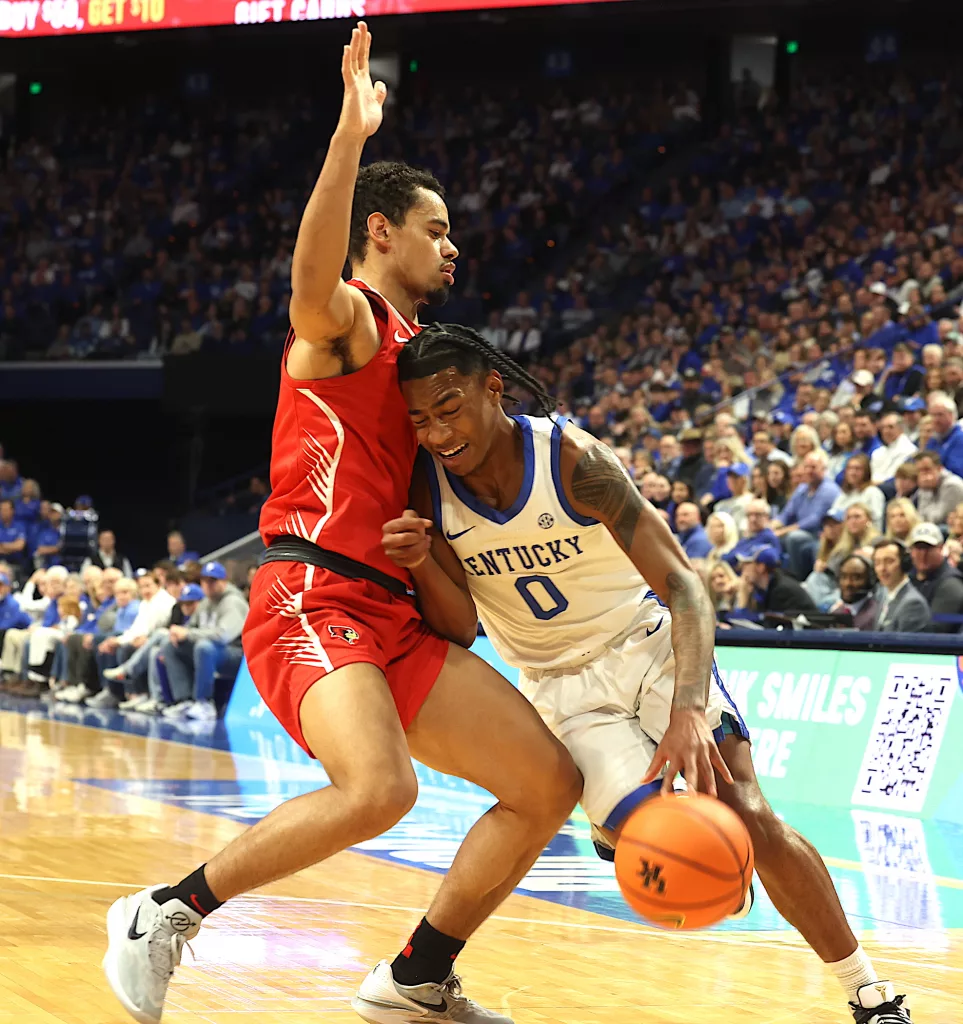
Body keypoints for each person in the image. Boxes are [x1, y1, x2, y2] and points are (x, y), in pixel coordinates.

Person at [102, 25, 580, 1024]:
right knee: (378, 789)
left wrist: (437, 559)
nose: (453, 245)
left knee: (547, 783)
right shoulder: (351, 320)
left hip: (392, 612)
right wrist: (350, 137)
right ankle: (164, 912)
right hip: (312, 594)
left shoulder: (429, 367)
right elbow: (308, 283)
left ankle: (415, 977)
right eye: (435, 228)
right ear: (381, 232)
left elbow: (457, 603)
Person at [384, 320, 909, 1024]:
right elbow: (457, 628)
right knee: (680, 851)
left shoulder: (572, 460)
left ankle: (869, 993)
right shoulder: (428, 489)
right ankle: (624, 826)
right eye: (419, 419)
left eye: (448, 408)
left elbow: (685, 585)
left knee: (747, 815)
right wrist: (421, 561)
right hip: (560, 689)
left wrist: (688, 710)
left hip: (648, 645)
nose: (437, 432)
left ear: (493, 388)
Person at [772, 450, 841, 580]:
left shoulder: (829, 490)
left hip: (819, 535)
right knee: (769, 536)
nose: (809, 471)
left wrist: (783, 531)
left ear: (823, 469)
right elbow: (787, 513)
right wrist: (772, 526)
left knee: (794, 537)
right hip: (801, 531)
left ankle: (796, 578)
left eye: (813, 467)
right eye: (806, 467)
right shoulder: (802, 488)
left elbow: (814, 520)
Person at [908, 522, 963, 634]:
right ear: (911, 551)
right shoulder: (910, 577)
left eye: (928, 548)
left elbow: (935, 630)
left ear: (941, 548)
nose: (923, 554)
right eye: (918, 548)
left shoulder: (951, 584)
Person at [871, 539, 931, 632]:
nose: (882, 568)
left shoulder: (913, 604)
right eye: (877, 562)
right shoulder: (883, 595)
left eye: (889, 561)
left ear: (904, 564)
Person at [828, 454, 886, 530]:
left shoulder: (873, 493)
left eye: (857, 469)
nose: (852, 472)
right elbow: (832, 515)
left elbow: (876, 522)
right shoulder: (844, 494)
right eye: (850, 468)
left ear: (866, 472)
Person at [828, 555, 879, 630]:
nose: (848, 583)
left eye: (856, 578)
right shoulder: (835, 614)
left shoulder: (877, 614)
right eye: (844, 577)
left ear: (869, 582)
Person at [913, 450, 963, 525]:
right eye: (919, 470)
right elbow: (920, 513)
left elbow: (940, 519)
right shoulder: (925, 485)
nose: (923, 474)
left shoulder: (952, 485)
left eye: (927, 469)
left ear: (939, 468)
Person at [926, 391, 963, 477]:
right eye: (933, 415)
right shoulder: (933, 439)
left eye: (940, 415)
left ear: (952, 415)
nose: (936, 420)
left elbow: (956, 470)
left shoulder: (960, 439)